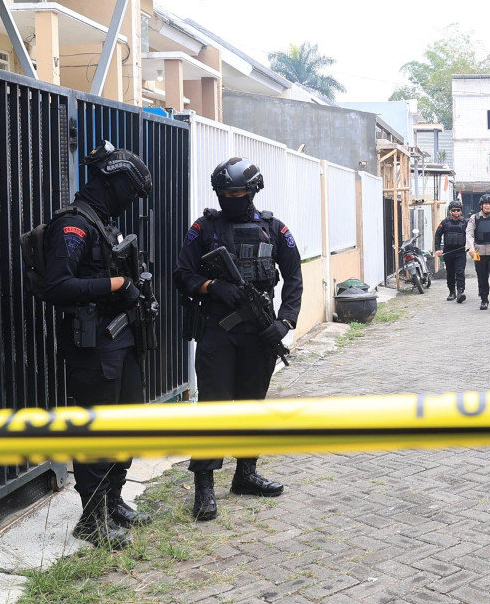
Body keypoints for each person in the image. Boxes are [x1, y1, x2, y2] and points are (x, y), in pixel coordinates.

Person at [174, 158, 304, 521]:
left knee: (252, 406)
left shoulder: (274, 228)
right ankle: (204, 488)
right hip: (218, 331)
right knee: (213, 408)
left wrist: (285, 322)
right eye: (224, 193)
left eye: (237, 192)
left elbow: (293, 276)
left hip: (261, 333)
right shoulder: (203, 228)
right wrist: (213, 285)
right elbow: (182, 273)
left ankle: (245, 475)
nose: (230, 198)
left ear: (252, 191)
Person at [41, 141, 154, 549]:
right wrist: (117, 284)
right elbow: (57, 285)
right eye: (130, 190)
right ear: (114, 182)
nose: (131, 200)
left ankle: (113, 500)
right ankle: (91, 519)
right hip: (92, 346)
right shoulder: (73, 224)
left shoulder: (103, 223)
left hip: (120, 340)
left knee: (126, 425)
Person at [434, 200, 469, 303]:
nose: (456, 212)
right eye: (454, 210)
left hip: (461, 251)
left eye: (458, 210)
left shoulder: (465, 223)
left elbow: (471, 235)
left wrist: (470, 246)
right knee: (450, 272)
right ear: (450, 211)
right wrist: (437, 249)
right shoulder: (444, 222)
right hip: (448, 251)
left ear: (461, 211)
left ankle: (460, 292)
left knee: (460, 272)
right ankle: (451, 292)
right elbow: (437, 235)